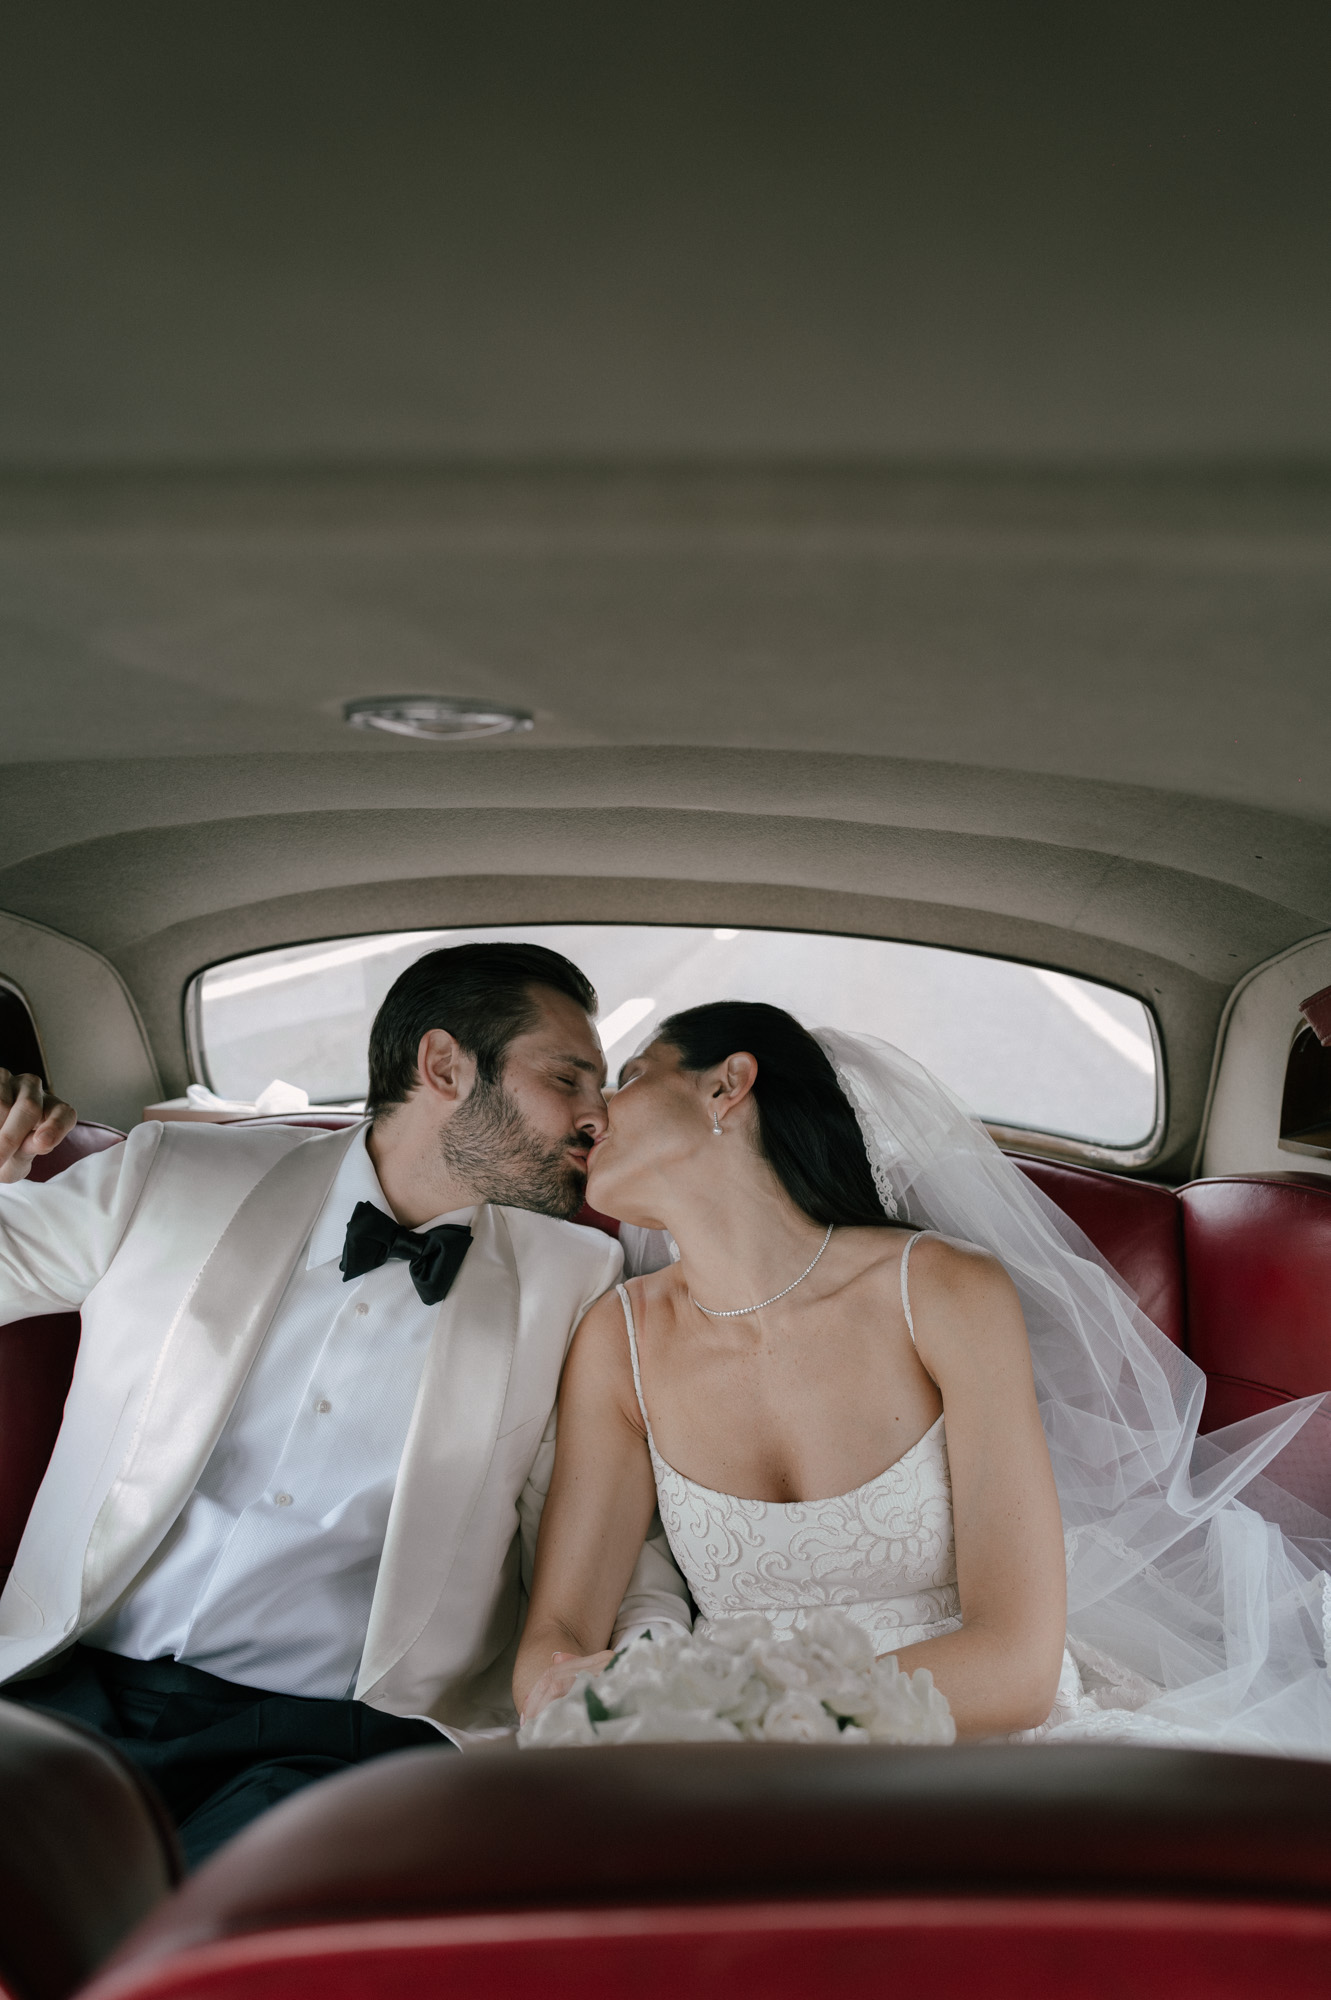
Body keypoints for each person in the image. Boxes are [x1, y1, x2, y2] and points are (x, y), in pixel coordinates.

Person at [0, 943, 689, 1865]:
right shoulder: (168, 1176)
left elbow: (602, 1523)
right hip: (65, 1692)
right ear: (443, 1066)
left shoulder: (576, 1280)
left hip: (340, 1745)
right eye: (568, 1078)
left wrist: (656, 1664)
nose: (596, 1117)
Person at [516, 1001, 1331, 1756]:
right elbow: (556, 1630)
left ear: (727, 1086)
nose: (590, 1115)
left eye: (628, 1079)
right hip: (739, 1768)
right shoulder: (619, 1339)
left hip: (968, 1745)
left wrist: (737, 1713)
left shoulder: (942, 1293)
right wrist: (592, 1702)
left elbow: (1016, 1669)